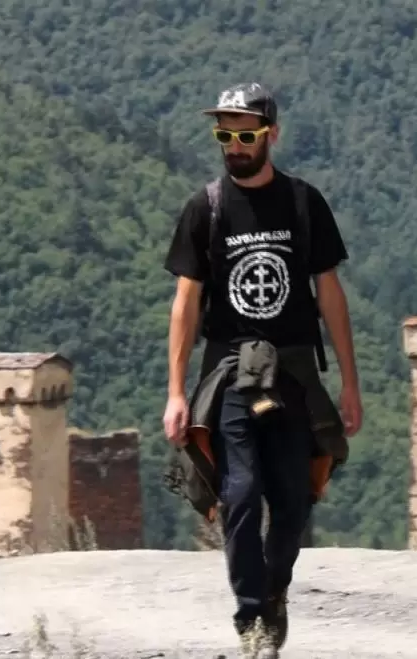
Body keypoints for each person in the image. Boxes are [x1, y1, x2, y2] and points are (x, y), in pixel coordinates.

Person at [162, 82, 363, 658]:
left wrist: (349, 383)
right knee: (241, 492)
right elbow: (185, 305)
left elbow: (330, 295)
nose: (234, 145)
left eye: (245, 134)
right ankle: (251, 615)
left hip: (293, 372)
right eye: (224, 134)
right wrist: (176, 392)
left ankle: (275, 589)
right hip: (229, 373)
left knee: (293, 499)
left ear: (272, 134)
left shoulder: (303, 203)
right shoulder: (205, 208)